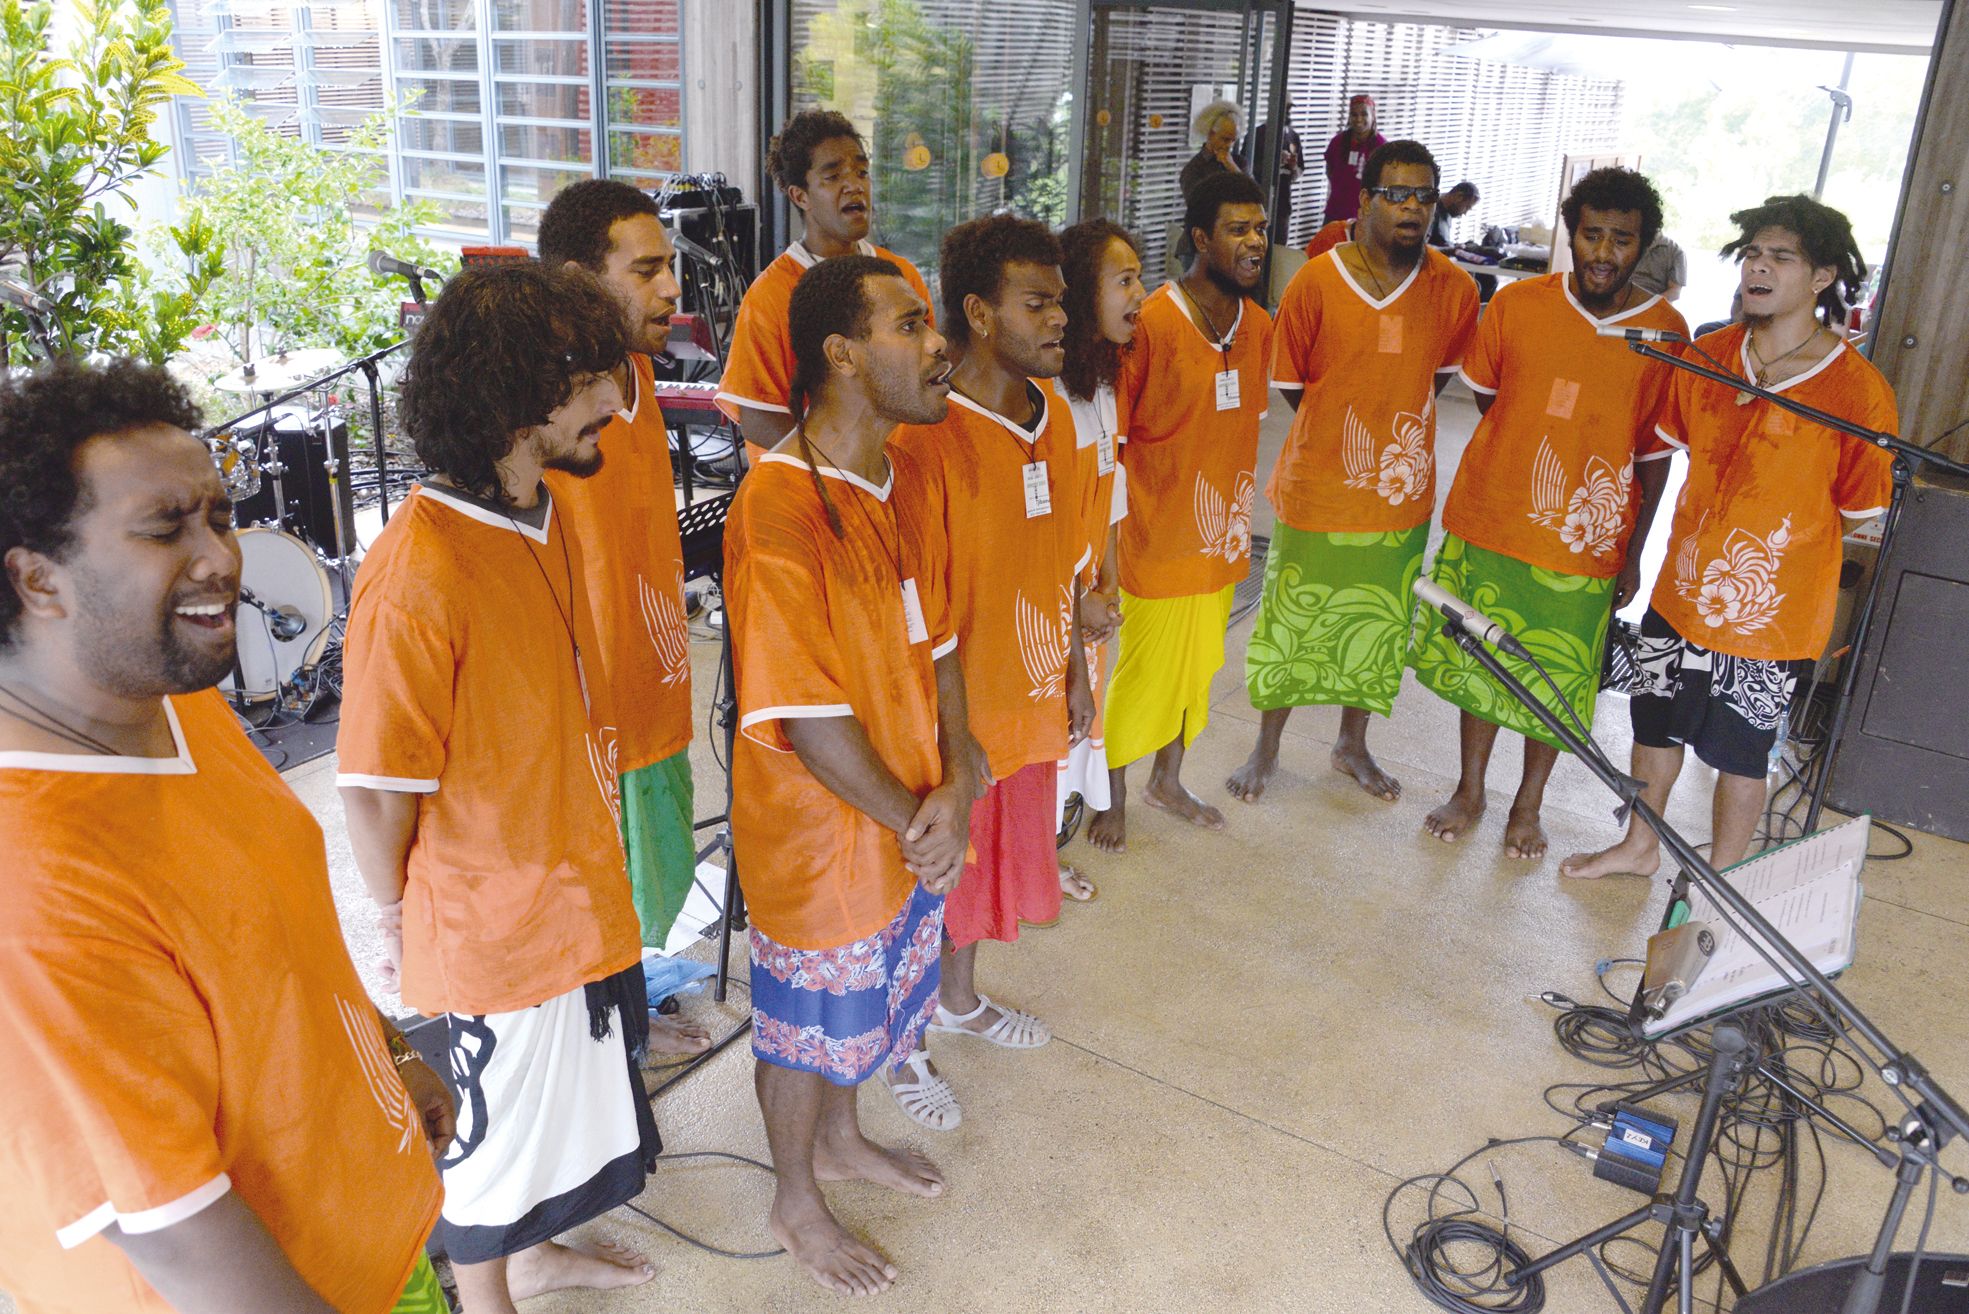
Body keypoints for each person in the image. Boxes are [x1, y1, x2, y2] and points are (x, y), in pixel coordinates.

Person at [0, 358, 449, 1314]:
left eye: (217, 513)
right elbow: (175, 1230)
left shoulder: (161, 694)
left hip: (367, 1243)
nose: (220, 557)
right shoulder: (28, 878)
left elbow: (271, 925)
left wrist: (387, 1049)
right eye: (167, 527)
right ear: (39, 580)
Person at [338, 265, 661, 1314]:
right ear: (516, 392)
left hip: (571, 894)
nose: (618, 396)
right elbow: (378, 792)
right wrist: (394, 924)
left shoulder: (541, 509)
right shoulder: (417, 571)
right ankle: (491, 1300)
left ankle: (538, 1255)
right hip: (492, 930)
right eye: (591, 377)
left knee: (558, 1133)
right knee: (489, 1157)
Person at [726, 254, 980, 1296]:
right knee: (801, 1031)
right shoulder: (776, 507)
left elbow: (946, 646)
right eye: (911, 325)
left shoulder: (907, 474)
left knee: (864, 1014)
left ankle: (841, 1142)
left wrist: (954, 787)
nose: (939, 346)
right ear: (840, 354)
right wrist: (921, 820)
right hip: (820, 838)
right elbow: (810, 719)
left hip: (912, 817)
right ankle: (795, 1196)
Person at [1562, 195, 1893, 879]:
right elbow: (1672, 446)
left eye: (1779, 257)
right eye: (1751, 255)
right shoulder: (1707, 356)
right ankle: (1638, 847)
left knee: (1740, 754)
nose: (1757, 269)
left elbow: (1861, 511)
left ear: (1822, 277)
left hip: (1766, 619)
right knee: (1651, 726)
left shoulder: (1857, 391)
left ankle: (1720, 875)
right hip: (1677, 594)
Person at [1410, 167, 1687, 860]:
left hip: (1586, 543)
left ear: (1642, 245)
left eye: (1620, 239)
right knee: (1481, 665)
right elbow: (1487, 397)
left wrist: (1632, 552)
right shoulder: (1517, 303)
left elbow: (1654, 455)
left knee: (1558, 682)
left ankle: (1526, 805)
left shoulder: (1663, 331)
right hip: (1494, 520)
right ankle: (1470, 791)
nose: (1602, 251)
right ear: (1571, 236)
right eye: (1590, 234)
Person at [890, 215, 1094, 1115]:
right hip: (954, 719)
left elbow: (1063, 561)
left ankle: (958, 1000)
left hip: (1030, 695)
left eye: (1061, 301)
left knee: (981, 879)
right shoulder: (925, 439)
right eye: (1038, 302)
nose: (1060, 319)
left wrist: (1075, 674)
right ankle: (900, 1051)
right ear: (976, 311)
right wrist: (951, 735)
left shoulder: (1056, 419)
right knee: (927, 884)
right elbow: (920, 615)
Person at [1230, 140, 1479, 806]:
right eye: (1396, 194)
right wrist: (1341, 431)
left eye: (1424, 196)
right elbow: (1292, 382)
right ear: (1364, 199)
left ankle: (1352, 744)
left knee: (1376, 629)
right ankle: (1266, 747)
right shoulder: (1315, 280)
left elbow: (1439, 377)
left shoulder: (1453, 289)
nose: (1411, 209)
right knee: (1291, 624)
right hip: (1317, 489)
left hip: (1399, 499)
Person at [536, 180, 711, 1057]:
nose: (671, 287)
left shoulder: (637, 375)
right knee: (595, 891)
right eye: (646, 269)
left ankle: (633, 997)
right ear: (577, 278)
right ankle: (604, 1031)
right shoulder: (542, 404)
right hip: (587, 712)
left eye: (669, 264)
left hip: (658, 684)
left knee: (655, 879)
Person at [1100, 171, 1275, 849]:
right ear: (1201, 238)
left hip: (1221, 536)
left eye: (1259, 227)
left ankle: (1165, 779)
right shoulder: (1152, 323)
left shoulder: (1257, 325)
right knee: (1142, 672)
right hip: (1154, 535)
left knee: (1196, 669)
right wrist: (1106, 552)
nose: (1254, 241)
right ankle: (1111, 790)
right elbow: (1112, 442)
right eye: (1236, 228)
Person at [717, 109, 937, 463]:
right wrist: (840, 466)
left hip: (895, 476)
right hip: (815, 486)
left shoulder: (902, 276)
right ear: (800, 196)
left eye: (862, 172)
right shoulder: (770, 295)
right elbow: (758, 419)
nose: (855, 185)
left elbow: (928, 377)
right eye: (833, 176)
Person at [1053, 218, 1146, 879]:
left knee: (1075, 726)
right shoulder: (1048, 394)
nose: (1140, 293)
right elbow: (1044, 523)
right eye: (1124, 280)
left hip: (1089, 592)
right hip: (1056, 599)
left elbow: (1108, 495)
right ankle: (1030, 863)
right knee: (1050, 728)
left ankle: (1041, 852)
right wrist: (1076, 600)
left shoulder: (1104, 383)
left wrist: (1108, 578)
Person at [1236, 97, 1306, 235]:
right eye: (1283, 108)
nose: (1287, 112)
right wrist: (1272, 162)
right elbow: (1244, 169)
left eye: (1289, 108)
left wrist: (1293, 167)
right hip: (1259, 202)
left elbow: (1299, 171)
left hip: (1283, 205)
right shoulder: (1257, 134)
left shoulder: (1293, 136)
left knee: (1280, 247)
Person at [1321, 94, 1387, 224]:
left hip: (1365, 216)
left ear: (1373, 116)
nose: (1358, 119)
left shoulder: (1381, 146)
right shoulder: (1338, 141)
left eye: (1364, 114)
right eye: (1354, 115)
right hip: (1335, 212)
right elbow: (1330, 170)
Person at [1180, 99, 1245, 203]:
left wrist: (1233, 168)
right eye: (1225, 139)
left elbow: (1255, 197)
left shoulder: (1239, 163)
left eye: (1233, 140)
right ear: (1210, 133)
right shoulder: (1194, 169)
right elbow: (1198, 207)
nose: (1229, 145)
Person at [1631, 233, 1687, 302]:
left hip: (1655, 303)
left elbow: (1675, 291)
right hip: (1622, 299)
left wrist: (1649, 304)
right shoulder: (1627, 242)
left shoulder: (1675, 251)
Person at [1428, 181, 1480, 248]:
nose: (1465, 213)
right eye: (1467, 207)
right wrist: (1453, 249)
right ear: (1459, 197)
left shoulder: (1448, 213)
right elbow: (1423, 248)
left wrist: (1460, 246)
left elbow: (1440, 243)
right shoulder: (1430, 211)